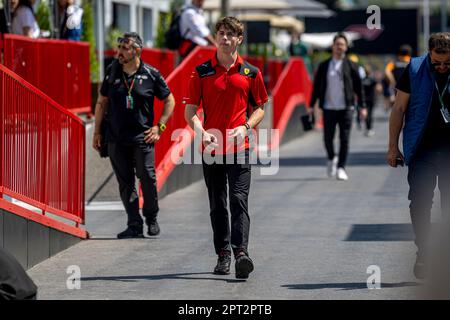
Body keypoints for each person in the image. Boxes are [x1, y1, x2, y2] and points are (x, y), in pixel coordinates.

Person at [184, 17, 268, 279]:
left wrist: (245, 126)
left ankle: (241, 253)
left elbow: (260, 108)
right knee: (217, 203)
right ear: (216, 37)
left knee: (238, 200)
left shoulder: (251, 73)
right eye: (221, 33)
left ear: (239, 40)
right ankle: (223, 254)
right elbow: (190, 112)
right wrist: (202, 132)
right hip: (211, 150)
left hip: (240, 147)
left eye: (230, 35)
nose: (225, 38)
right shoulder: (201, 71)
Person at [93, 32, 175, 239]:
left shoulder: (151, 74)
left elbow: (170, 101)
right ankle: (134, 224)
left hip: (143, 137)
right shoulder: (112, 73)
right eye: (118, 46)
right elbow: (102, 102)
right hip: (116, 137)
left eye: (124, 48)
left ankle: (151, 216)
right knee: (125, 182)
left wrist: (160, 128)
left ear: (137, 51)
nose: (118, 51)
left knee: (147, 177)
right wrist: (97, 132)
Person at [387, 32, 450, 280]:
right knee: (421, 203)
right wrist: (393, 147)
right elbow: (399, 109)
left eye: (447, 63)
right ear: (429, 55)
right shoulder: (414, 69)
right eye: (438, 63)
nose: (443, 67)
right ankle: (423, 251)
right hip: (421, 149)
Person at [310, 32, 366, 181]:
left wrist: (363, 106)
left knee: (345, 138)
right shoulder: (324, 66)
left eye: (342, 44)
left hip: (346, 108)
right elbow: (316, 87)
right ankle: (331, 158)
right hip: (328, 107)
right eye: (337, 44)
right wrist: (311, 105)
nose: (339, 47)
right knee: (328, 138)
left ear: (346, 47)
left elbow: (359, 87)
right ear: (332, 46)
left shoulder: (351, 65)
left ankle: (341, 167)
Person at [383, 44, 412, 111]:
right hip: (409, 88)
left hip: (397, 89)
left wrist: (392, 81)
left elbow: (387, 71)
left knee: (397, 109)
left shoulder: (394, 63)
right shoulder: (411, 62)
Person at [361, 64, 378, 137]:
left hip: (364, 99)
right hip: (371, 99)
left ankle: (367, 128)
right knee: (370, 114)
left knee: (366, 114)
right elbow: (378, 88)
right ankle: (369, 128)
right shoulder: (372, 79)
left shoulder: (362, 80)